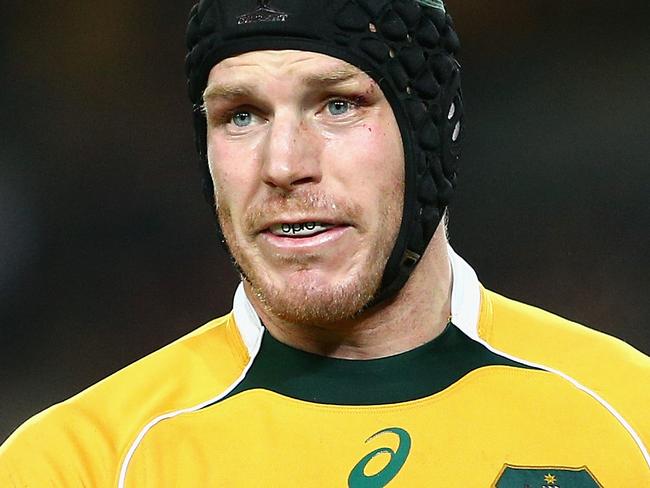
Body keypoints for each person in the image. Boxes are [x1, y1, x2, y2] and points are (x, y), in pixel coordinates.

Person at [1, 0, 649, 486]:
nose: (283, 164)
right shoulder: (79, 464)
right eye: (241, 115)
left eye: (338, 104)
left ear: (434, 130)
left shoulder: (632, 417)